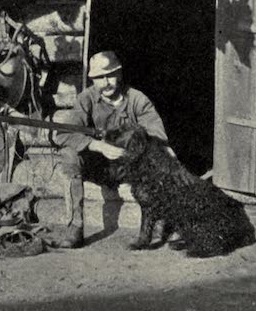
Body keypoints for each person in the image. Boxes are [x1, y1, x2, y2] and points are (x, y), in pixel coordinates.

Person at [50, 50, 169, 248]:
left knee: (159, 157)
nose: (105, 82)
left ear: (120, 74)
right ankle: (75, 228)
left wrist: (131, 145)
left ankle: (156, 223)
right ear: (92, 79)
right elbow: (64, 133)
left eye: (110, 75)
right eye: (98, 77)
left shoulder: (137, 99)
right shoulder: (85, 99)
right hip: (98, 166)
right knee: (69, 155)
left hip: (129, 166)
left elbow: (158, 135)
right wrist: (97, 145)